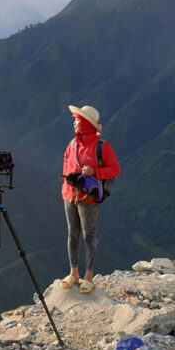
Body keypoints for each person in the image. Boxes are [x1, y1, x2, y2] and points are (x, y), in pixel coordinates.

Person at [60, 105, 120, 294]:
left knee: (88, 235)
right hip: (70, 195)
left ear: (85, 123)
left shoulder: (102, 146)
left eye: (77, 119)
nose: (75, 122)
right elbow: (65, 163)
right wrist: (68, 179)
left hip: (88, 198)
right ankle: (74, 273)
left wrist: (95, 172)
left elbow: (115, 169)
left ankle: (88, 276)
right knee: (72, 233)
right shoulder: (72, 144)